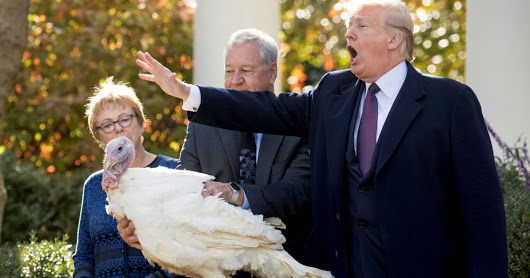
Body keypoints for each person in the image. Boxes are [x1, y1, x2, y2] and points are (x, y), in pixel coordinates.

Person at [135, 0, 509, 277]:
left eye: (361, 26)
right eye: (349, 26)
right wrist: (188, 93)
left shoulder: (451, 101)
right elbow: (266, 109)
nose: (348, 34)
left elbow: (482, 210)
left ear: (395, 39)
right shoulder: (333, 92)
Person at [119, 29, 312, 268]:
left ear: (272, 72)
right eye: (229, 71)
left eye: (246, 70)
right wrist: (146, 228)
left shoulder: (300, 125)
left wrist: (236, 194)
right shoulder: (203, 124)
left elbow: (297, 194)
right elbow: (182, 193)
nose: (235, 80)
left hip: (285, 265)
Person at [73, 77, 179, 278]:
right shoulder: (94, 185)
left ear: (141, 123)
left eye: (124, 119)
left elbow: (189, 245)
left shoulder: (173, 171)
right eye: (107, 125)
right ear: (99, 137)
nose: (118, 129)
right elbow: (84, 257)